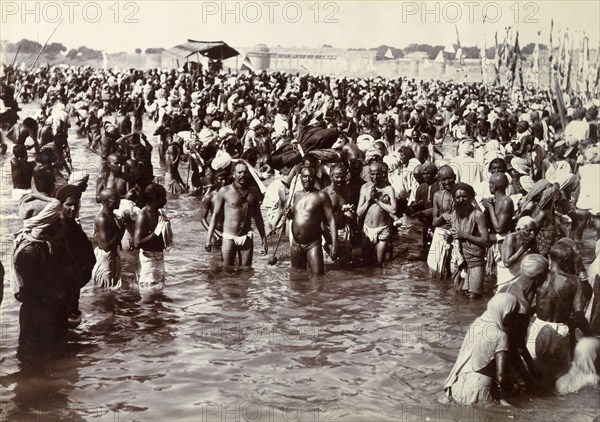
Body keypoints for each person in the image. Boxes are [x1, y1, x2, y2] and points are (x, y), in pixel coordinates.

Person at [13, 196, 68, 366]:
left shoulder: (45, 244)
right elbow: (31, 292)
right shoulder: (29, 251)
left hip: (49, 312)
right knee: (35, 362)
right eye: (56, 221)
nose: (60, 223)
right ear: (46, 223)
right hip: (37, 317)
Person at [527, 242, 593, 375]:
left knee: (534, 372)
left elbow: (527, 305)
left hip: (537, 328)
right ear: (568, 260)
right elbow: (579, 316)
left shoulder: (539, 277)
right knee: (559, 376)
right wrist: (591, 336)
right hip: (560, 331)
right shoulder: (574, 281)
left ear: (550, 258)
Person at [443, 293, 520, 405]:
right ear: (506, 314)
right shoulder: (500, 336)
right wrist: (514, 388)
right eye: (514, 315)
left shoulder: (477, 324)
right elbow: (501, 377)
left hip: (456, 385)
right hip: (477, 391)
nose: (515, 320)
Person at [496, 254, 549, 390]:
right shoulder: (522, 305)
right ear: (539, 277)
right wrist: (529, 374)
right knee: (534, 393)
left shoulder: (505, 288)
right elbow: (514, 346)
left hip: (494, 352)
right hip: (502, 357)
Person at [205, 161, 268, 269]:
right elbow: (214, 216)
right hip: (229, 237)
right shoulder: (224, 191)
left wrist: (264, 239)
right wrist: (208, 239)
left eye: (245, 172)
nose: (242, 175)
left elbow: (258, 217)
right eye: (239, 172)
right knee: (227, 270)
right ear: (233, 174)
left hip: (246, 237)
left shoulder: (254, 192)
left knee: (246, 271)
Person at [54, 184, 96, 327]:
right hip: (66, 287)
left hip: (74, 285)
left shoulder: (72, 224)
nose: (73, 208)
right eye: (69, 205)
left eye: (76, 204)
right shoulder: (60, 228)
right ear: (60, 205)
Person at [288, 166, 336, 275]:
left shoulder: (321, 196)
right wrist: (289, 214)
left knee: (317, 277)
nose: (307, 179)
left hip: (312, 244)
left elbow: (331, 220)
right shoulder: (297, 195)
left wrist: (334, 244)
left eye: (311, 177)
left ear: (315, 178)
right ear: (300, 178)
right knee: (296, 276)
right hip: (296, 244)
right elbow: (297, 216)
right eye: (305, 176)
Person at [448, 182, 490, 298]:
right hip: (459, 260)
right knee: (459, 296)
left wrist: (465, 235)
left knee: (473, 298)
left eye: (464, 196)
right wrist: (449, 237)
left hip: (474, 260)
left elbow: (486, 241)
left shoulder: (478, 215)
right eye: (458, 197)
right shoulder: (455, 215)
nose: (461, 200)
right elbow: (455, 236)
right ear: (454, 199)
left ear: (471, 197)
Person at [357, 161, 397, 266]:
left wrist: (377, 201)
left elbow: (393, 210)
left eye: (378, 174)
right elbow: (359, 212)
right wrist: (369, 201)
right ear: (369, 174)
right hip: (367, 229)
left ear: (382, 173)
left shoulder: (388, 189)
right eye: (372, 174)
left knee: (379, 264)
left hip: (382, 229)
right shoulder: (364, 188)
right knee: (366, 264)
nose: (375, 177)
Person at [134, 183, 171, 286]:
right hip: (147, 260)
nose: (165, 201)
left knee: (158, 292)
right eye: (163, 197)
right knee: (147, 293)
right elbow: (136, 244)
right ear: (155, 198)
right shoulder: (143, 215)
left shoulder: (159, 214)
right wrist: (154, 235)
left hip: (159, 258)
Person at [92, 188, 126, 288]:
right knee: (104, 292)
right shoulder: (102, 218)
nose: (119, 201)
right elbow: (106, 246)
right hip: (105, 259)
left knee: (111, 291)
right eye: (115, 199)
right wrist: (122, 229)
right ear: (106, 201)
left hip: (112, 257)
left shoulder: (112, 216)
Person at [322, 163, 354, 264]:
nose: (340, 179)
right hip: (328, 231)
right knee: (329, 264)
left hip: (344, 230)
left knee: (345, 264)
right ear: (331, 176)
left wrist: (350, 213)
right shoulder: (325, 193)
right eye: (337, 177)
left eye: (342, 176)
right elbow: (319, 218)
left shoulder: (347, 191)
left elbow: (349, 210)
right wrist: (326, 237)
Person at [429, 165, 456, 278]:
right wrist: (443, 217)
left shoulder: (462, 193)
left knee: (455, 271)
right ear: (439, 181)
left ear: (455, 177)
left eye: (449, 178)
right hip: (441, 232)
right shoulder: (437, 196)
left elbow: (475, 213)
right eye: (443, 179)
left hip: (457, 233)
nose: (447, 182)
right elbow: (434, 222)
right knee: (435, 272)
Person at [497, 217, 538, 290]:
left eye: (534, 230)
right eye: (529, 230)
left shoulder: (530, 238)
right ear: (519, 229)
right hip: (508, 275)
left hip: (522, 275)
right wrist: (522, 248)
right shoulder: (511, 238)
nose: (533, 233)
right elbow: (507, 263)